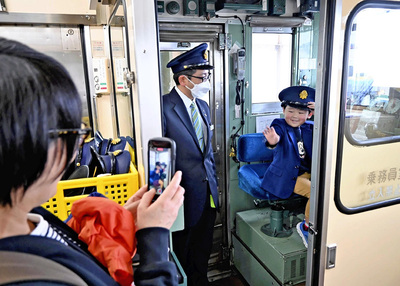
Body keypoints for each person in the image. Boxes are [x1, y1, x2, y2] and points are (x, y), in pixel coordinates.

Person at [0, 37, 184, 285]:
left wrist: (120, 218)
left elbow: (71, 257)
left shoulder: (28, 216)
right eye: (72, 135)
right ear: (20, 143)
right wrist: (155, 237)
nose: (77, 150)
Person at [162, 43, 219, 286]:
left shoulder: (203, 106)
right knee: (182, 250)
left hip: (208, 193)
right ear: (184, 79)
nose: (206, 82)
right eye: (202, 77)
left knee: (203, 247)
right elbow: (161, 158)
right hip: (182, 195)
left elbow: (206, 153)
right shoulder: (163, 108)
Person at [261, 86, 315, 248]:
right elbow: (275, 138)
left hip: (308, 172)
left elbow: (333, 127)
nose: (295, 116)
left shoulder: (311, 127)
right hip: (287, 176)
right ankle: (306, 226)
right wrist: (273, 140)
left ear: (309, 114)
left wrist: (322, 110)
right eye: (291, 111)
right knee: (316, 192)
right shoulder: (279, 125)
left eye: (301, 112)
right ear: (283, 110)